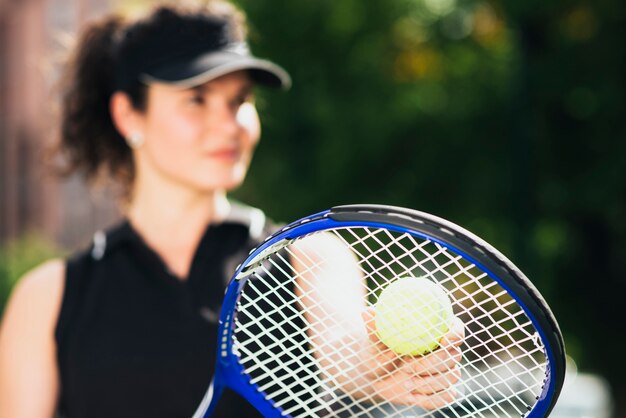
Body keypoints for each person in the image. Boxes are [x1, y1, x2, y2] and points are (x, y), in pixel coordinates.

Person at [0, 2, 463, 417]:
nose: (228, 124)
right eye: (196, 100)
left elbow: (349, 355)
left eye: (239, 101)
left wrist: (381, 368)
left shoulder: (310, 257)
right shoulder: (47, 297)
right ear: (128, 116)